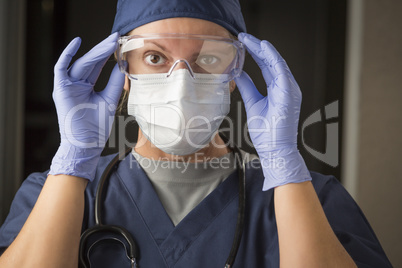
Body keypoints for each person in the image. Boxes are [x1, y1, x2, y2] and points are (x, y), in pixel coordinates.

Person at [0, 0, 392, 267]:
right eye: (155, 58)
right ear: (124, 70)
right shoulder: (51, 196)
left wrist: (285, 167)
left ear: (234, 74)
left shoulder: (312, 200)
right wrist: (74, 158)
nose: (182, 83)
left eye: (207, 58)